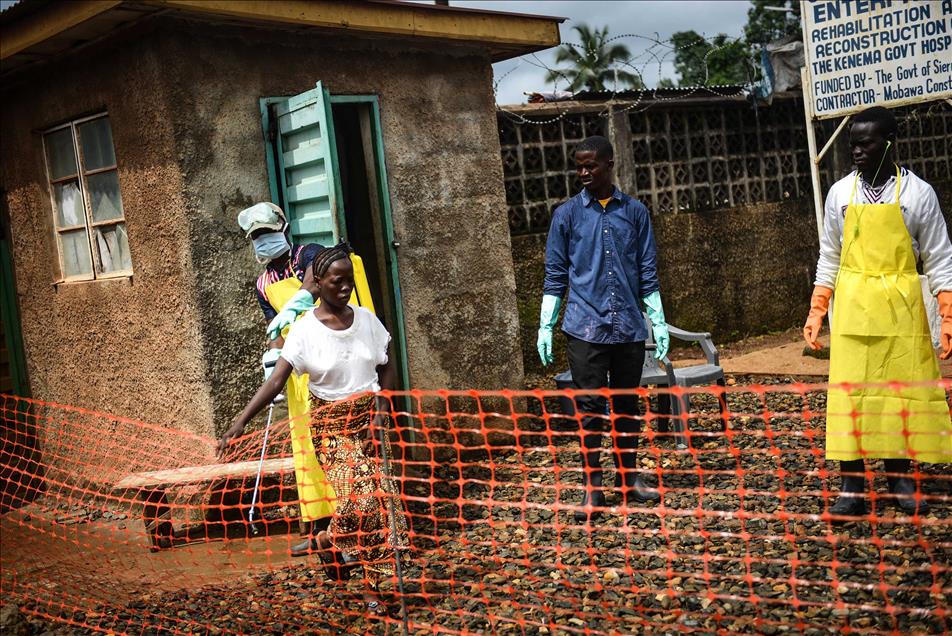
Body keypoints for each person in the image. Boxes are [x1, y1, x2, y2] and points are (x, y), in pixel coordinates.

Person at [218, 243, 407, 616]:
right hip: (331, 427)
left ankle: (345, 555)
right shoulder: (304, 331)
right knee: (366, 502)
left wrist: (384, 405)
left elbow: (387, 362)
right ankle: (357, 570)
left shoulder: (367, 320)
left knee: (378, 508)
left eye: (348, 281)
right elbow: (275, 382)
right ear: (317, 283)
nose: (344, 288)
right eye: (336, 281)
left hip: (368, 422)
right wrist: (239, 422)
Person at [803, 106, 952, 520]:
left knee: (897, 394)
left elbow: (940, 259)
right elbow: (829, 256)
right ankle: (851, 484)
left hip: (901, 310)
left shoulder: (917, 194)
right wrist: (818, 309)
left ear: (889, 143)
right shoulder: (839, 195)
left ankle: (900, 478)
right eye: (853, 143)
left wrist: (947, 313)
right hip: (851, 310)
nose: (857, 151)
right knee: (852, 396)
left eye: (865, 143)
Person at [538, 135, 670, 523]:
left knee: (627, 406)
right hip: (584, 327)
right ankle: (593, 488)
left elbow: (647, 271)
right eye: (578, 166)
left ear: (610, 164)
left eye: (590, 165)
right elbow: (555, 273)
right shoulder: (566, 216)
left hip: (629, 327)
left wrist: (657, 322)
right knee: (591, 409)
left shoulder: (636, 213)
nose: (583, 173)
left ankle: (629, 480)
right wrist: (547, 324)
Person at [237, 202, 335, 555]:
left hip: (330, 359)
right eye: (256, 237)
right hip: (298, 371)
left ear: (283, 228)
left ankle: (352, 524)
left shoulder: (308, 254)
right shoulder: (263, 283)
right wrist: (273, 355)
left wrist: (297, 303)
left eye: (267, 233)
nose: (263, 241)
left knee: (337, 444)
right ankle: (318, 527)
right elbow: (276, 328)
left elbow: (313, 282)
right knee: (306, 449)